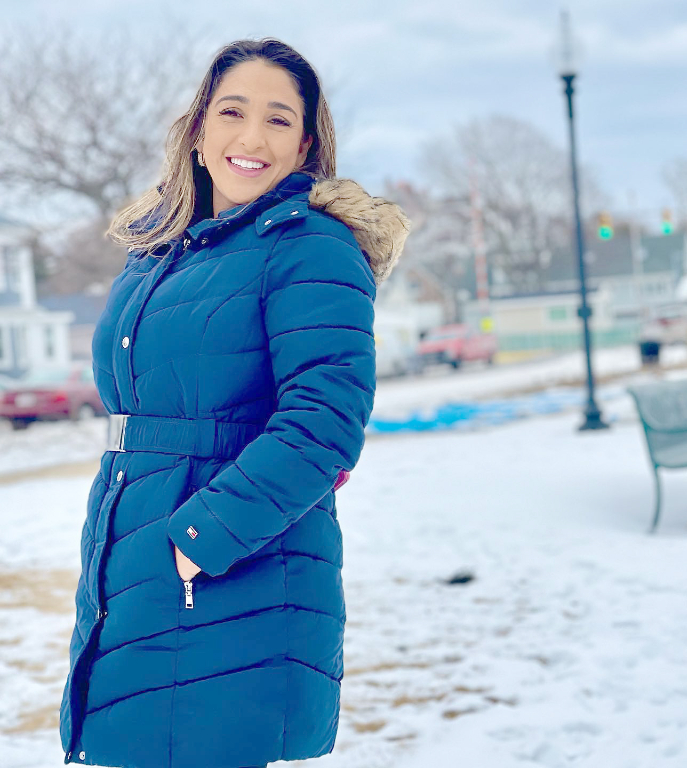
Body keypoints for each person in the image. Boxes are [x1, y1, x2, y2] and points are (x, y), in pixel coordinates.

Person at [59, 37, 410, 768]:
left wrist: (199, 541)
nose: (251, 139)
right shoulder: (161, 249)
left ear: (306, 143)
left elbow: (324, 420)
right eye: (232, 112)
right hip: (131, 561)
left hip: (227, 569)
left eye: (279, 120)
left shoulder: (311, 246)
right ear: (198, 128)